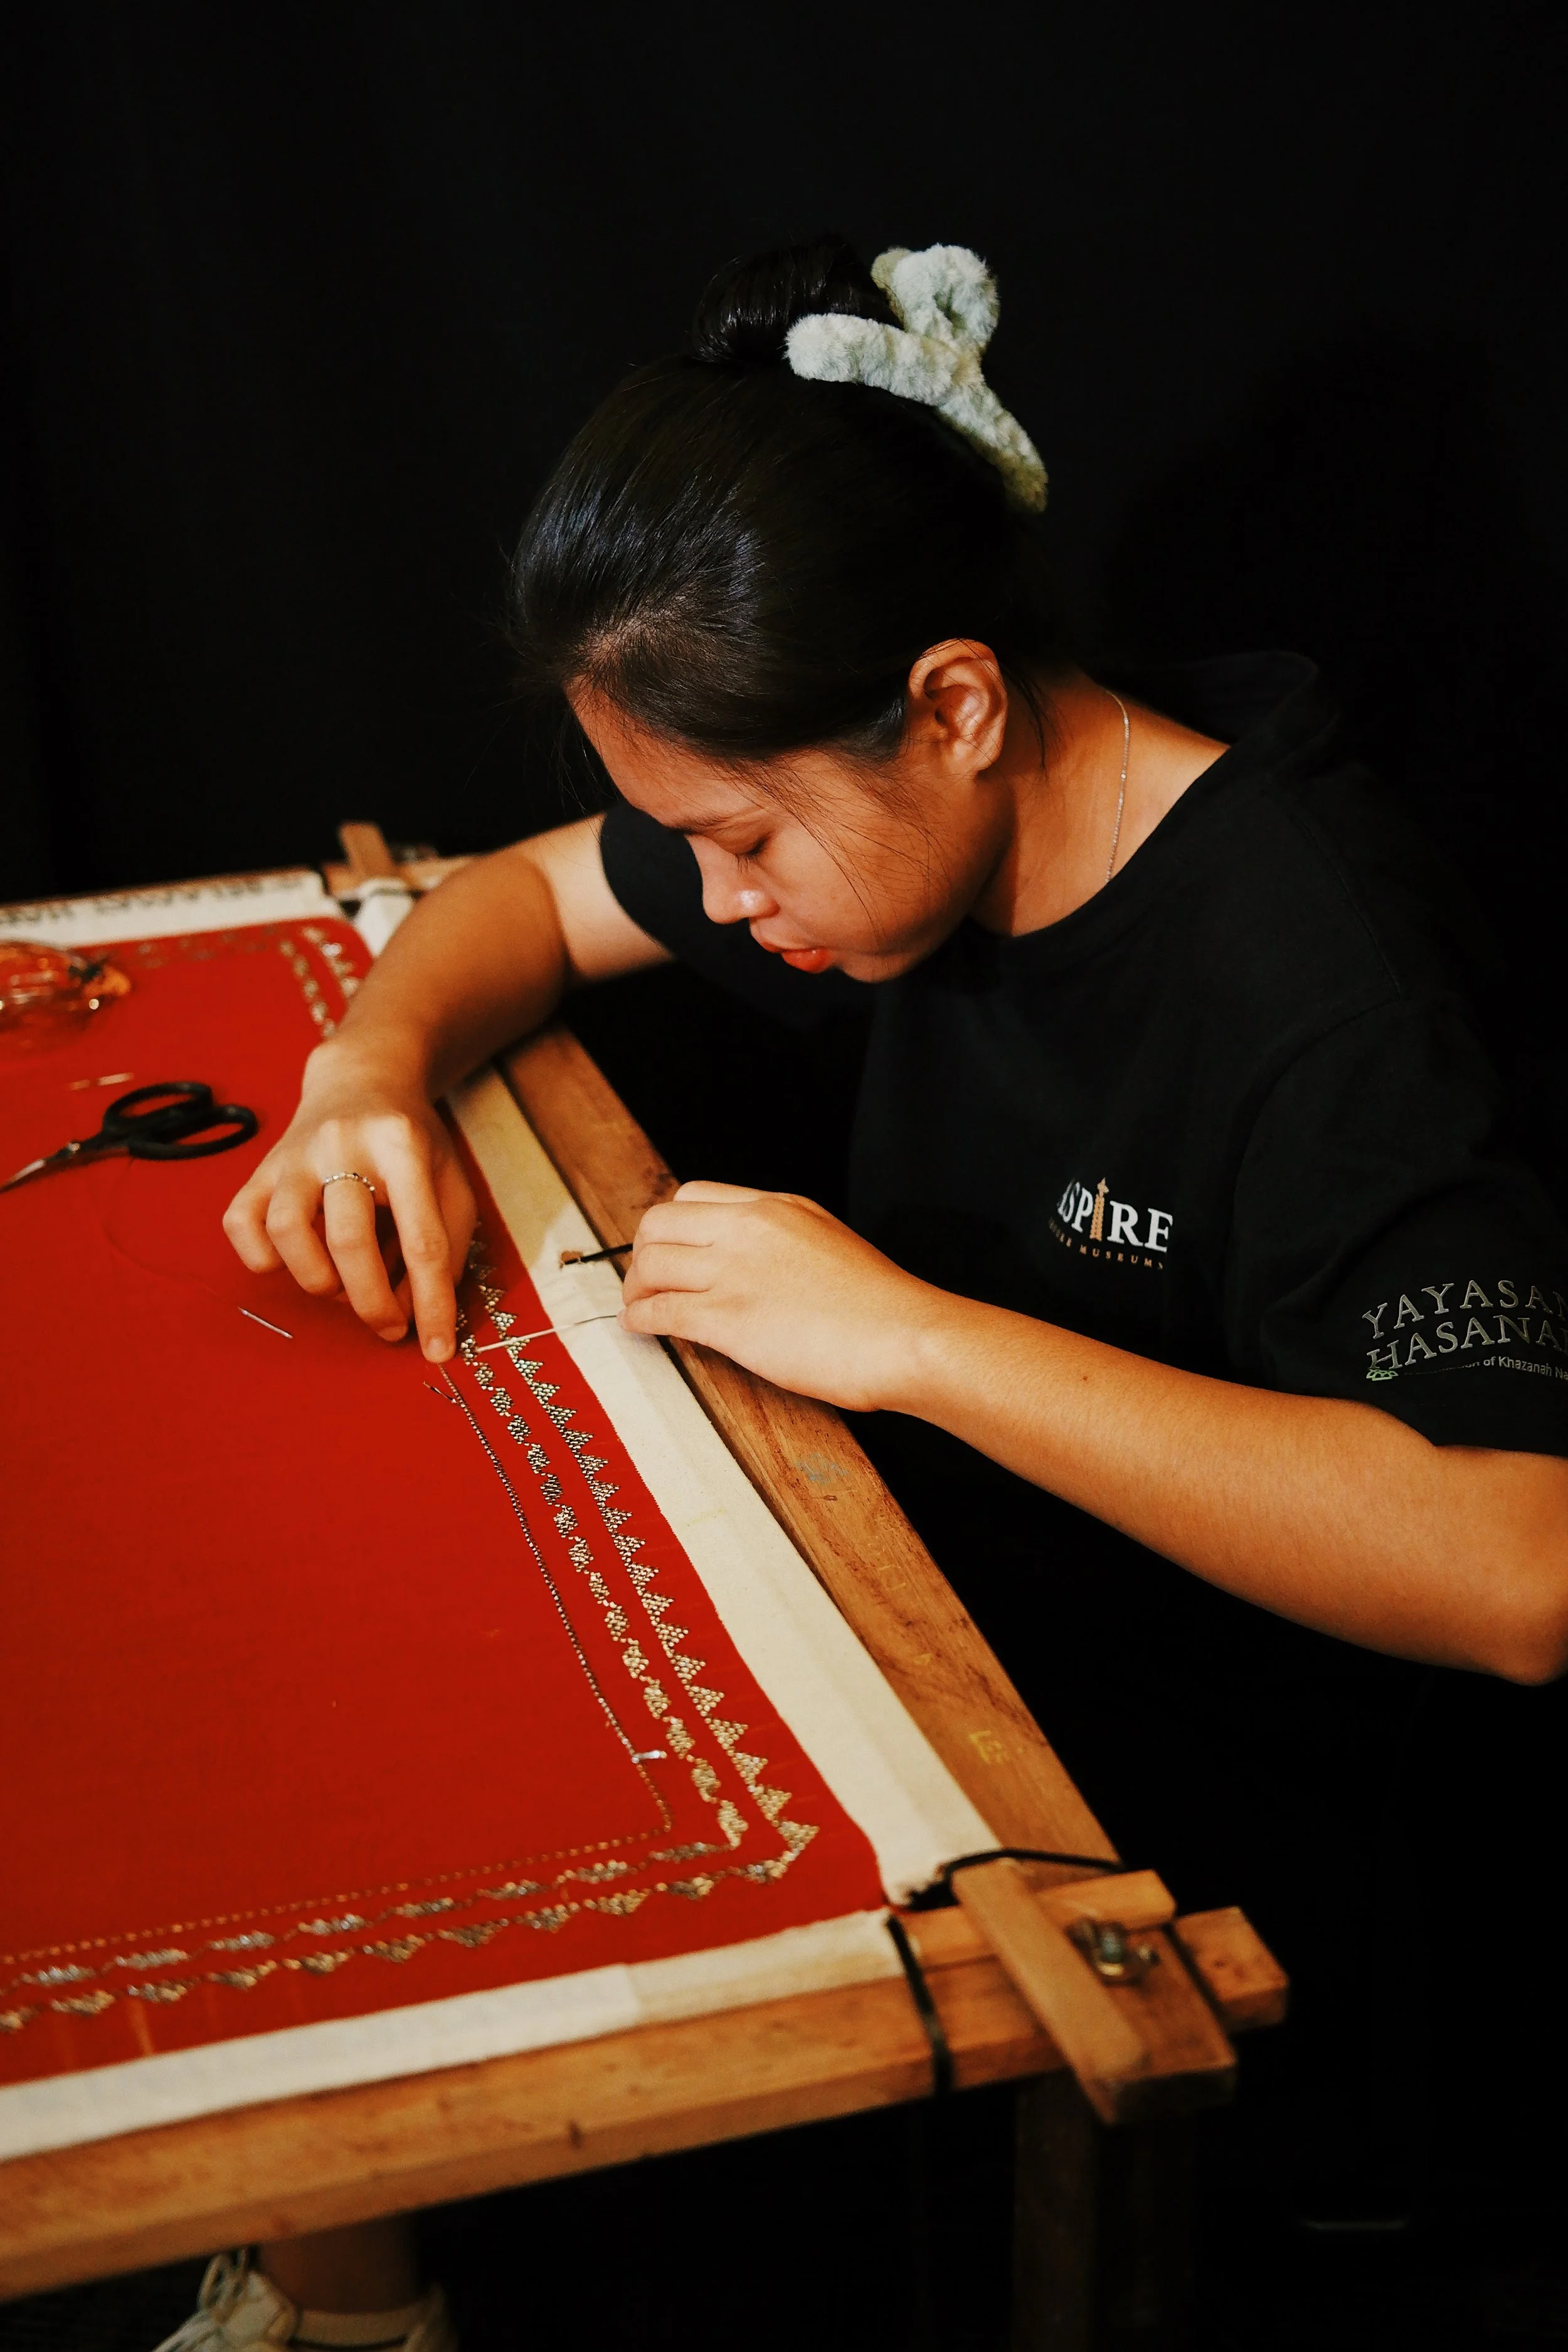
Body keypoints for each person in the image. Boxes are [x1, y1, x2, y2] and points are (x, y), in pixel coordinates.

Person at [186, 235, 1568, 2346]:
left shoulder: (1319, 978)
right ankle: (339, 2284)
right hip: (946, 1640)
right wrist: (364, 1072)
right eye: (696, 847)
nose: (721, 904)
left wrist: (913, 1339)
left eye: (742, 844)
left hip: (1246, 1859)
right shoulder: (886, 816)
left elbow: (1519, 1561)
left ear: (953, 702)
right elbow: (528, 897)